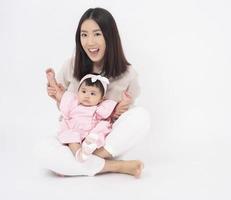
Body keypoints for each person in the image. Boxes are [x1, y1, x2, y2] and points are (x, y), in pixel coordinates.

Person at [38, 7, 150, 178]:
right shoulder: (71, 65)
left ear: (109, 36)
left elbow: (126, 120)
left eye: (97, 34)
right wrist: (57, 96)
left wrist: (120, 111)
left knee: (142, 116)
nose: (90, 42)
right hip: (72, 140)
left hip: (102, 142)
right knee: (41, 150)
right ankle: (116, 166)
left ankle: (79, 162)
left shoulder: (128, 74)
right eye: (84, 35)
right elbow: (67, 108)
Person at [46, 69, 117, 162]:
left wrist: (125, 101)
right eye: (83, 92)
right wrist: (51, 79)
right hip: (74, 131)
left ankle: (90, 146)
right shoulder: (73, 103)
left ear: (101, 99)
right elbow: (57, 93)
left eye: (92, 93)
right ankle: (79, 154)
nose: (87, 96)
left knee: (103, 127)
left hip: (89, 134)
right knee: (71, 137)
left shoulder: (98, 109)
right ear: (78, 92)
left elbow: (115, 112)